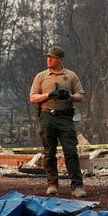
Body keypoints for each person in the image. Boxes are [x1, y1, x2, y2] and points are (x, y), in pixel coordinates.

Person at [30, 46, 87, 198]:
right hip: (47, 116)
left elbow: (81, 95)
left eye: (53, 57)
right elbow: (33, 97)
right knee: (49, 152)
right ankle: (52, 184)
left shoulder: (70, 76)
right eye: (48, 57)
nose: (49, 60)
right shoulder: (41, 76)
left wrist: (69, 96)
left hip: (65, 117)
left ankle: (77, 185)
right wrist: (48, 95)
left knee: (70, 151)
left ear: (61, 59)